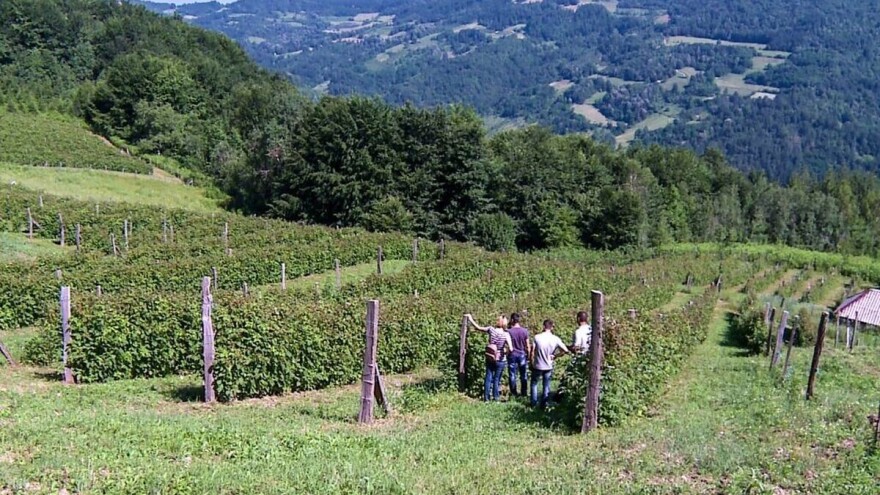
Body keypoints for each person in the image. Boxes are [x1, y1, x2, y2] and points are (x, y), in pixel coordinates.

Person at [466, 314, 512, 402]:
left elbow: (478, 328)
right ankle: (496, 398)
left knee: (488, 377)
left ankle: (486, 398)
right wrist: (505, 352)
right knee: (497, 379)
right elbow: (511, 348)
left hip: (490, 356)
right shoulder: (506, 334)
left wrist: (471, 319)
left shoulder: (491, 329)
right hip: (500, 359)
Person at [530, 319, 569, 408]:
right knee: (546, 385)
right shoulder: (555, 339)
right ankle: (544, 404)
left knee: (534, 384)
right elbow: (565, 350)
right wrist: (555, 356)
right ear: (552, 327)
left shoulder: (537, 337)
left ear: (544, 326)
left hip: (538, 365)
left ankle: (533, 403)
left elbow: (532, 352)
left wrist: (531, 362)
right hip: (548, 365)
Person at [506, 313, 531, 397]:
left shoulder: (509, 331)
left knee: (512, 375)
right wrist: (529, 355)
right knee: (523, 375)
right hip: (522, 354)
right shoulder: (525, 331)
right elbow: (528, 345)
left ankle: (513, 393)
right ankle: (524, 392)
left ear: (512, 320)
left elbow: (507, 345)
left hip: (512, 354)